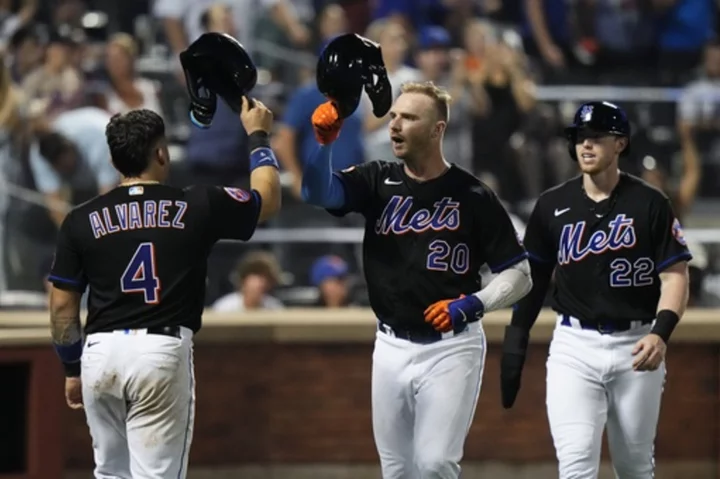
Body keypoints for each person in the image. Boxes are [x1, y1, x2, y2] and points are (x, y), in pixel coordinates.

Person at [304, 35, 532, 478]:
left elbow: (519, 273)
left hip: (451, 347)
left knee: (435, 463)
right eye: (393, 116)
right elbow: (317, 192)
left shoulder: (473, 194)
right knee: (397, 470)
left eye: (408, 118)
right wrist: (324, 144)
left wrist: (474, 303)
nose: (394, 126)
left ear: (437, 129)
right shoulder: (376, 179)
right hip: (389, 343)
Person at [501, 101, 692, 478]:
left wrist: (661, 333)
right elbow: (534, 280)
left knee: (635, 468)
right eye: (579, 138)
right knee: (575, 469)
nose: (585, 146)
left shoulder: (650, 202)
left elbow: (676, 276)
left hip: (637, 344)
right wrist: (515, 345)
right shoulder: (552, 204)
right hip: (575, 346)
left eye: (596, 138)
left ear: (620, 143)